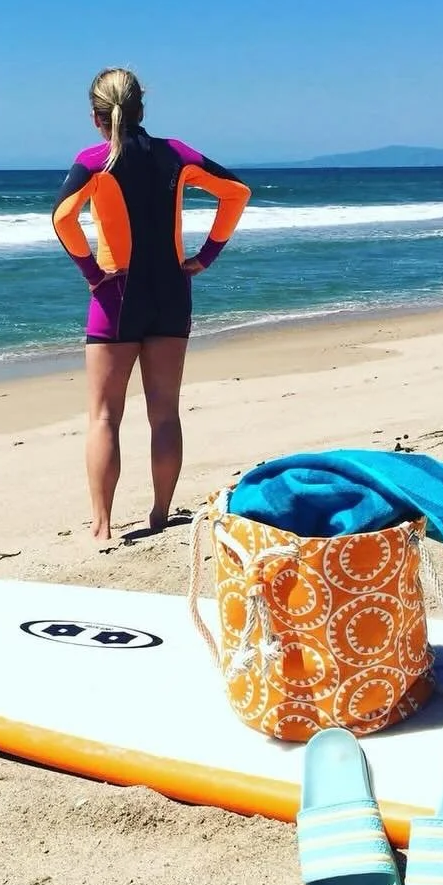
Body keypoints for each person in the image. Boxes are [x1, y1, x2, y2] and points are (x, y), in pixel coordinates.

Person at [52, 67, 252, 541]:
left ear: (95, 116)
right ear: (142, 108)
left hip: (116, 295)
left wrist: (92, 274)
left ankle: (101, 527)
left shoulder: (94, 159)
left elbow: (63, 218)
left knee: (104, 415)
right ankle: (161, 513)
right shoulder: (176, 153)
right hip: (170, 292)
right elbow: (236, 193)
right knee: (164, 413)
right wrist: (207, 255)